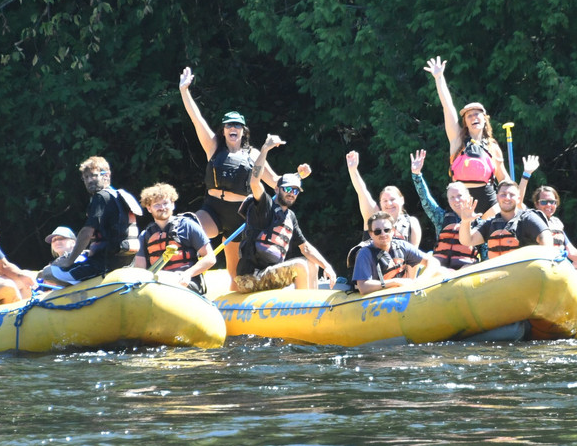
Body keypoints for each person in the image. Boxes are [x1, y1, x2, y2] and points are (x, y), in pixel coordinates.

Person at [179, 66, 284, 287]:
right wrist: (184, 91)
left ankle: (233, 307)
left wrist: (296, 178)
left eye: (237, 125)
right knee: (185, 229)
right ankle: (181, 274)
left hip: (239, 216)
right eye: (229, 125)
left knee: (234, 272)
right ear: (224, 130)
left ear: (243, 131)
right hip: (213, 209)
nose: (232, 128)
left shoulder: (254, 154)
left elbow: (275, 183)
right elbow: (196, 119)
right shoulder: (213, 147)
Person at [234, 135, 336, 293]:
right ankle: (304, 311)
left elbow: (306, 248)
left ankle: (315, 310)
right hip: (251, 277)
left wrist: (327, 266)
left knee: (312, 264)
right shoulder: (265, 205)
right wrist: (265, 150)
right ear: (277, 189)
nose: (291, 193)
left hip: (270, 274)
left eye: (295, 191)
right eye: (287, 189)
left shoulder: (290, 217)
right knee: (301, 266)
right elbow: (254, 182)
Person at [424, 56, 508, 215]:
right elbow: (448, 107)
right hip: (461, 200)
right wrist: (439, 78)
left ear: (484, 119)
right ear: (465, 122)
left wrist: (515, 196)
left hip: (489, 199)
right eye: (469, 116)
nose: (474, 118)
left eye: (477, 114)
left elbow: (504, 179)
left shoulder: (492, 146)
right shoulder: (458, 140)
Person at [41, 157, 142, 286]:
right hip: (125, 263)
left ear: (106, 175)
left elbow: (87, 233)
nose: (89, 181)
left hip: (102, 265)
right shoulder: (118, 196)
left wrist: (69, 261)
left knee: (48, 273)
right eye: (86, 178)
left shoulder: (100, 197)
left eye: (93, 176)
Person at [133, 183, 216, 294]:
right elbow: (140, 269)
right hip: (159, 285)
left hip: (187, 283)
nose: (162, 208)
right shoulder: (145, 236)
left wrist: (187, 274)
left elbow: (210, 258)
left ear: (173, 204)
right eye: (157, 205)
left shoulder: (188, 226)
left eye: (165, 203)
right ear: (149, 208)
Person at [409, 149, 478, 269]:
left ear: (468, 197)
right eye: (452, 197)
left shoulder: (478, 221)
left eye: (459, 196)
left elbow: (485, 251)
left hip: (466, 268)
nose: (456, 200)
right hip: (441, 268)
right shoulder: (440, 218)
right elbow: (426, 199)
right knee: (431, 262)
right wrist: (417, 174)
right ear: (448, 200)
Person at [531, 184, 577, 296]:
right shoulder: (532, 221)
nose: (548, 205)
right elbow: (519, 204)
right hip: (548, 271)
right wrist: (526, 176)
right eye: (544, 202)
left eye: (552, 202)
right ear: (536, 204)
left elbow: (570, 250)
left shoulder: (556, 222)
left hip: (562, 265)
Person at [353, 211, 442, 295]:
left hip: (402, 294)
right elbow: (363, 287)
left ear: (393, 231)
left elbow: (433, 261)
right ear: (371, 234)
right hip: (378, 299)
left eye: (387, 230)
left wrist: (421, 280)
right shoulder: (364, 254)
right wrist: (395, 282)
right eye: (377, 231)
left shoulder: (402, 246)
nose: (383, 234)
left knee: (440, 272)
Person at [458, 180, 554, 257]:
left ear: (518, 199)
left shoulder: (528, 218)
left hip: (523, 273)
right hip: (499, 275)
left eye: (511, 195)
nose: (507, 198)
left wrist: (547, 258)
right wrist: (465, 222)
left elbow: (545, 237)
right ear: (497, 197)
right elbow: (467, 240)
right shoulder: (491, 223)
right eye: (503, 194)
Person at [346, 151, 421, 247]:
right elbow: (362, 192)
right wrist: (353, 171)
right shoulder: (373, 216)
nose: (389, 203)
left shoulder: (411, 223)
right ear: (380, 203)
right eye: (385, 200)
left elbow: (414, 255)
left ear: (402, 200)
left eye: (393, 199)